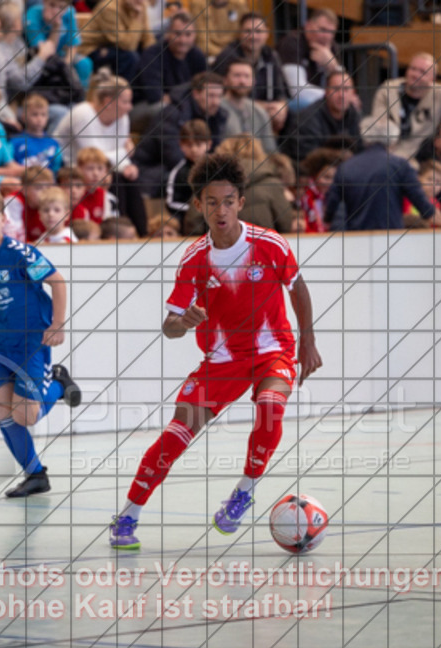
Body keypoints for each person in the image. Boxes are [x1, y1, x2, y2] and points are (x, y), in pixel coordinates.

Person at [108, 152, 322, 550]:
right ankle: (127, 517)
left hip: (272, 349)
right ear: (198, 205)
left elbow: (298, 289)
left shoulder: (269, 244)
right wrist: (182, 323)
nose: (220, 210)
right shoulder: (193, 260)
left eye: (227, 201)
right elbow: (169, 327)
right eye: (211, 202)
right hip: (222, 362)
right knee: (175, 436)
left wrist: (308, 341)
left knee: (271, 404)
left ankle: (244, 491)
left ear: (240, 202)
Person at [0, 186, 81, 497]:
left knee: (26, 415)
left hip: (30, 342)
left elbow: (57, 281)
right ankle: (36, 475)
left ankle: (58, 385)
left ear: (4, 219)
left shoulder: (21, 253)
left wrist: (57, 324)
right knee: (0, 410)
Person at [53, 70, 148, 235]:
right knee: (116, 179)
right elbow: (93, 155)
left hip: (98, 167)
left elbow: (117, 155)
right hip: (72, 167)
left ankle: (140, 232)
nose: (130, 107)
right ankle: (116, 231)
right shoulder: (83, 114)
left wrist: (127, 164)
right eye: (125, 102)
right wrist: (122, 155)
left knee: (130, 177)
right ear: (109, 101)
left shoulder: (122, 117)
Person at [322, 123, 437, 231]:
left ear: (365, 138)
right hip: (390, 236)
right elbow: (422, 203)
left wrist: (327, 219)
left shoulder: (346, 167)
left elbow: (332, 205)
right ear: (392, 141)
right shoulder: (400, 165)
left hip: (356, 237)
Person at [132, 71, 227, 198]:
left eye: (219, 96)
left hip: (187, 168)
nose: (216, 102)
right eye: (211, 96)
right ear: (196, 94)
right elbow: (174, 157)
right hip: (152, 172)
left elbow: (216, 151)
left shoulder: (217, 116)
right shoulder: (172, 115)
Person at [213, 13, 290, 134]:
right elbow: (222, 97)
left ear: (267, 33)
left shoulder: (271, 55)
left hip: (268, 111)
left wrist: (281, 108)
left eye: (258, 31)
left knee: (296, 114)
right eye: (248, 31)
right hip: (235, 110)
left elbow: (282, 92)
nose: (253, 36)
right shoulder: (227, 57)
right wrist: (264, 108)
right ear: (239, 33)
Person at [280, 67, 361, 166]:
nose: (341, 95)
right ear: (326, 92)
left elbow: (361, 150)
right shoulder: (308, 119)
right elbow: (307, 160)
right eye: (336, 89)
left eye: (346, 89)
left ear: (353, 93)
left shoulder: (355, 116)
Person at [133, 11, 206, 106]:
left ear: (195, 35)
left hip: (181, 104)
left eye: (188, 34)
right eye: (177, 34)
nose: (183, 40)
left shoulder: (197, 55)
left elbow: (204, 89)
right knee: (164, 108)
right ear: (168, 33)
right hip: (147, 105)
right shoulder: (152, 55)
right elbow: (155, 96)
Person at [276, 8, 339, 111]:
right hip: (286, 101)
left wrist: (334, 66)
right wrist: (334, 96)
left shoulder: (331, 48)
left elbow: (344, 86)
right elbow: (298, 92)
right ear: (308, 26)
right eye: (322, 30)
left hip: (318, 99)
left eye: (331, 32)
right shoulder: (292, 43)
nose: (326, 36)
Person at [79, 0, 155, 83]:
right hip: (92, 49)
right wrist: (137, 18)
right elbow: (127, 46)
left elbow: (147, 37)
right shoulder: (110, 8)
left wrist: (152, 54)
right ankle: (124, 92)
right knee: (130, 58)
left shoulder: (140, 6)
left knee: (151, 54)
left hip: (115, 46)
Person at [25, 0, 93, 87]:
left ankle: (79, 95)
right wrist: (56, 27)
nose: (56, 11)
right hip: (38, 57)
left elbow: (73, 45)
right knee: (52, 71)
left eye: (61, 7)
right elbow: (47, 53)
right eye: (52, 5)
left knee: (84, 63)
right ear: (44, 2)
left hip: (60, 54)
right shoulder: (33, 15)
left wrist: (66, 65)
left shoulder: (69, 12)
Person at [220, 59, 277, 154]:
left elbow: (270, 150)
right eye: (237, 76)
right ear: (225, 80)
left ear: (253, 81)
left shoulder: (260, 112)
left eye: (247, 76)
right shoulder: (216, 109)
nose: (242, 81)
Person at [166, 119, 210, 226]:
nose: (194, 149)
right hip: (188, 224)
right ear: (181, 145)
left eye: (198, 144)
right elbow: (172, 204)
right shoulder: (179, 173)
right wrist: (196, 211)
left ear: (208, 144)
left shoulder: (218, 168)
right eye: (189, 145)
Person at [11, 93, 62, 175]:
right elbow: (11, 167)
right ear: (23, 117)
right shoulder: (15, 142)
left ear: (47, 117)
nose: (39, 119)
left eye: (43, 115)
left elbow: (57, 171)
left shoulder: (53, 143)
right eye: (35, 114)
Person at [5, 166, 55, 242]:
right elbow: (14, 238)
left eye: (48, 188)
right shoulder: (13, 202)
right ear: (24, 190)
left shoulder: (51, 203)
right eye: (38, 188)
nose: (45, 192)